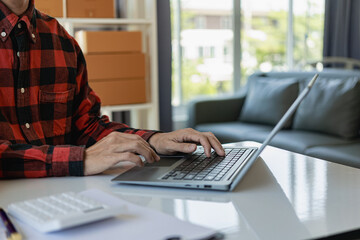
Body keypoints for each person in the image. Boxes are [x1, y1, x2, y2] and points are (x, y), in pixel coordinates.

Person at [0, 0, 225, 178]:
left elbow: (86, 127)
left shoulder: (62, 40)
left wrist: (154, 140)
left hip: (64, 196)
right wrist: (81, 159)